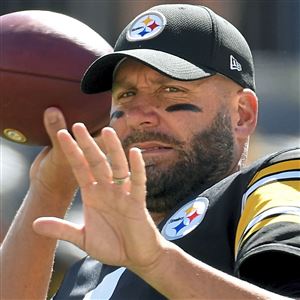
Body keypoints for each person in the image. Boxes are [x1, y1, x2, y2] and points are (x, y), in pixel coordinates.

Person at [1, 4, 299, 300]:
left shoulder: (266, 186)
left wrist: (157, 261)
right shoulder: (88, 269)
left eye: (170, 90)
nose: (139, 115)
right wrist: (50, 189)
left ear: (242, 114)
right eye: (126, 95)